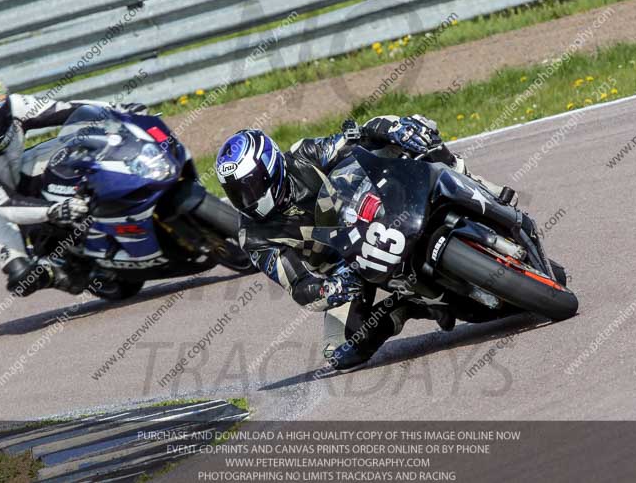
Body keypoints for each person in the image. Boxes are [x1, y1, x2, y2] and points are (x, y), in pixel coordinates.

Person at [215, 114, 511, 371]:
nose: (247, 199)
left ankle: (479, 186)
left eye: (251, 186)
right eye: (236, 192)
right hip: (346, 268)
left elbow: (353, 139)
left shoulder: (303, 154)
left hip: (375, 209)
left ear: (271, 168)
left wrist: (388, 130)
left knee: (408, 131)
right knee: (340, 349)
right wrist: (329, 289)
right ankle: (408, 305)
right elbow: (299, 285)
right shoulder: (252, 237)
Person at [0, 71, 146, 297]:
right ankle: (60, 272)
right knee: (22, 278)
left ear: (6, 107)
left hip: (21, 172)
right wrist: (54, 211)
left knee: (79, 149)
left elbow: (69, 109)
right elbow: (5, 204)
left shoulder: (17, 105)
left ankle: (111, 201)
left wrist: (119, 110)